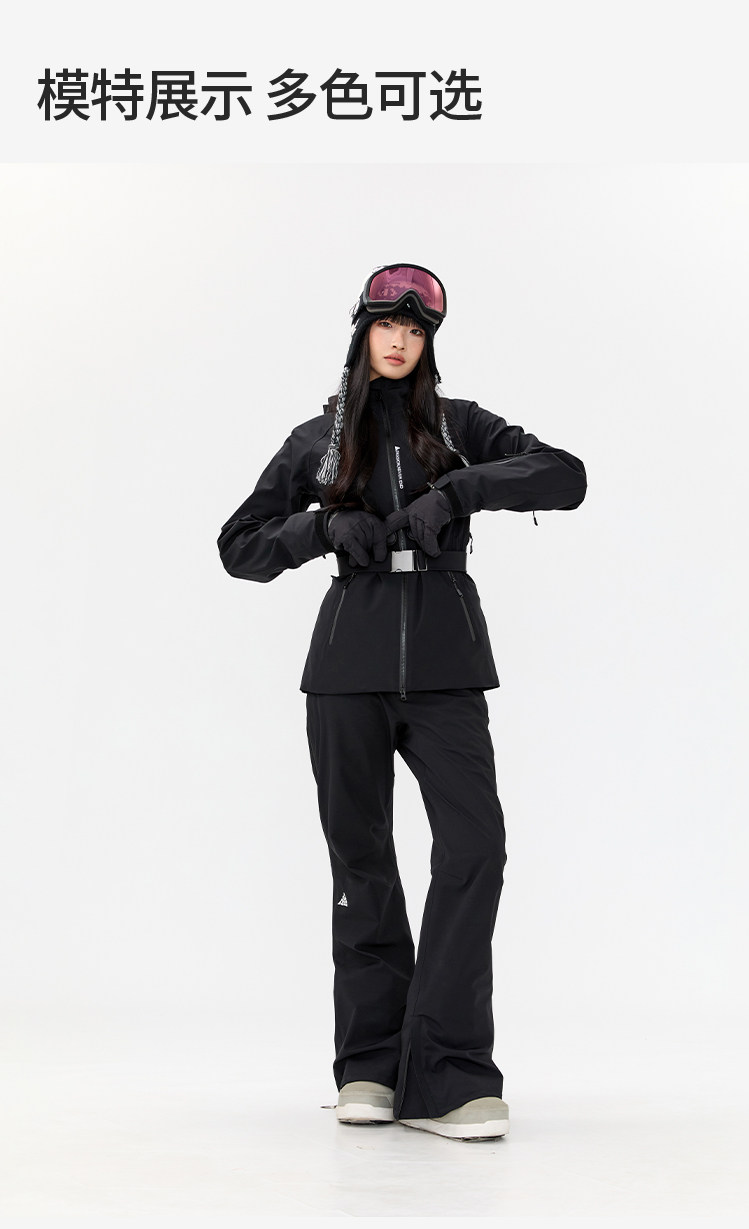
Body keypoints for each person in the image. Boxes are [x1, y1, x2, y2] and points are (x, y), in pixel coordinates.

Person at [217, 263, 587, 1142]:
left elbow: (565, 475)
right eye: (387, 325)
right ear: (362, 333)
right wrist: (318, 528)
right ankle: (371, 1066)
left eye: (416, 330)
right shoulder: (319, 438)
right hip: (346, 667)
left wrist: (460, 488)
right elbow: (238, 545)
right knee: (363, 863)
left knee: (475, 848)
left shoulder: (460, 427)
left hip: (449, 665)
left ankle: (450, 1072)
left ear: (429, 343)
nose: (400, 340)